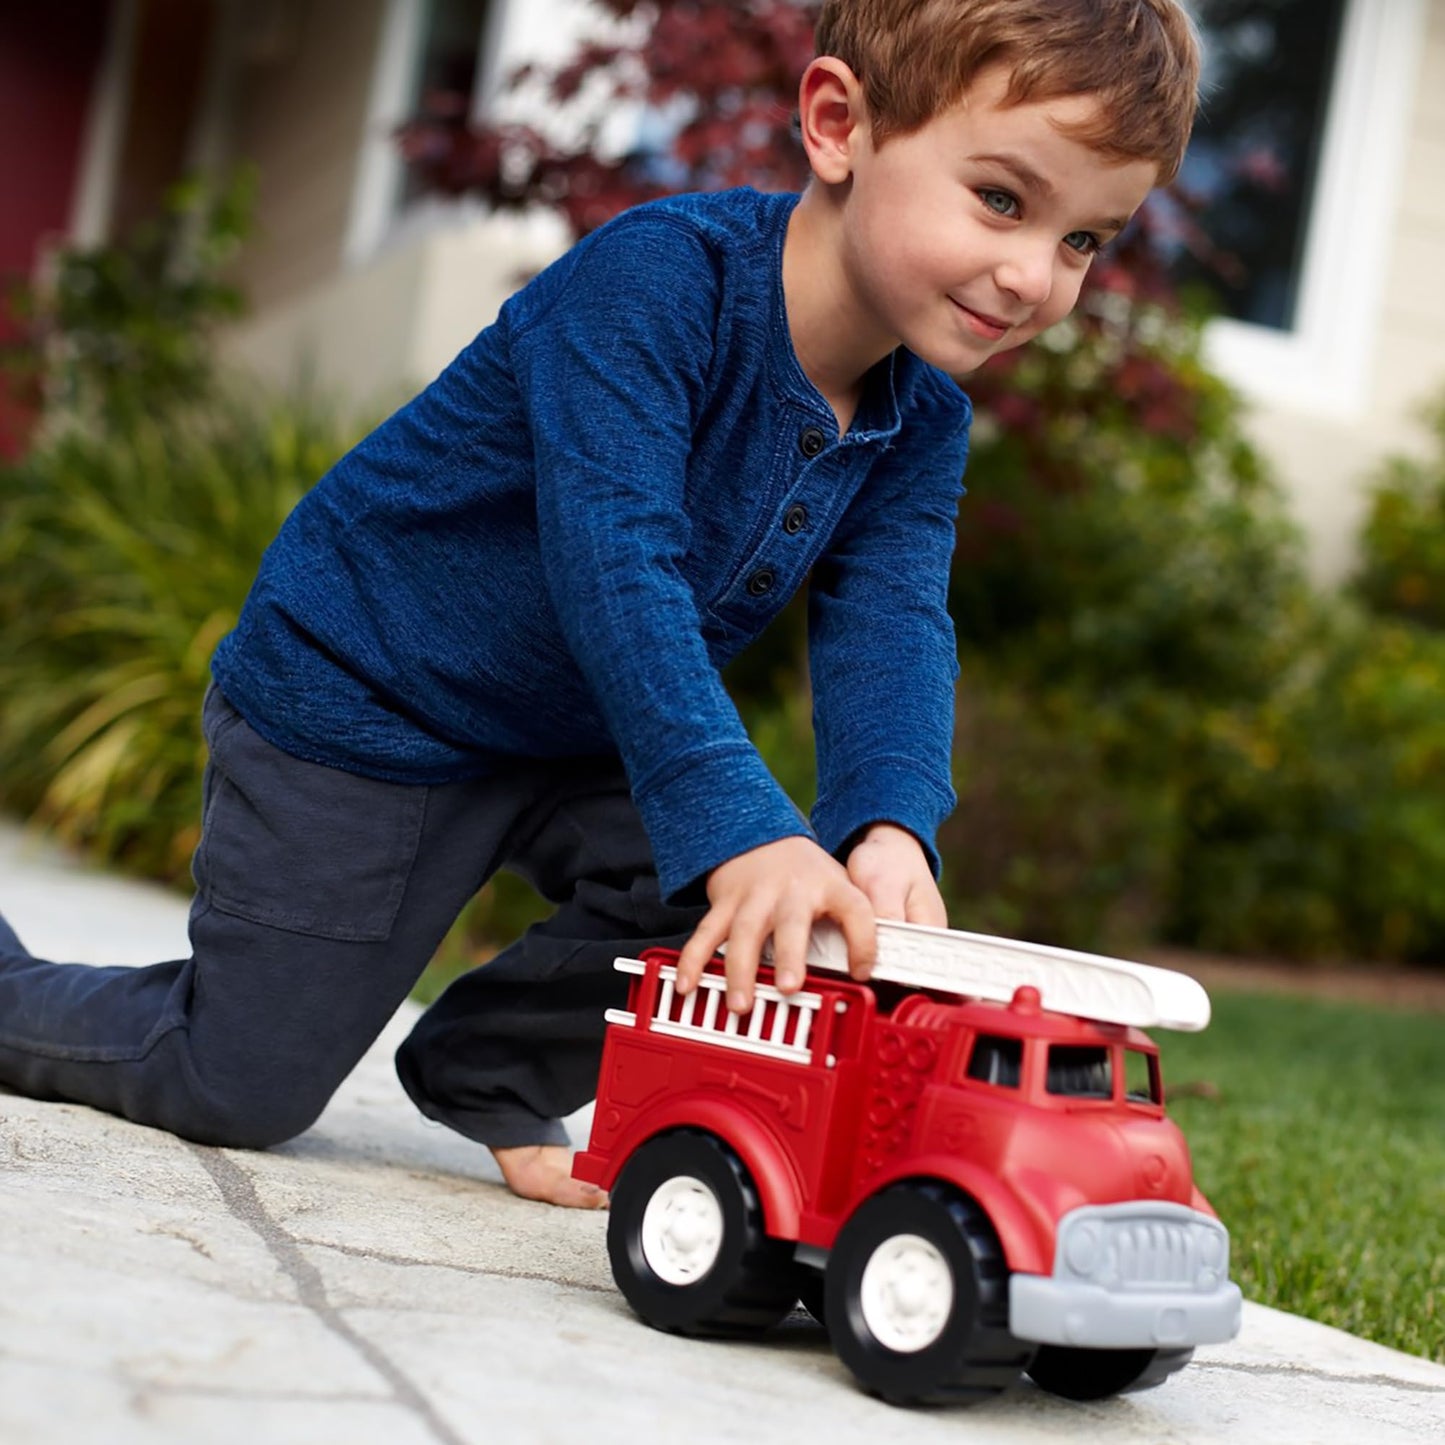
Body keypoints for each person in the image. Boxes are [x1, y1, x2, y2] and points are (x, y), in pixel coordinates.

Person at [0, 0, 1199, 1208]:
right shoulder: (658, 283)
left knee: (783, 914)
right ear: (838, 124)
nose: (1031, 275)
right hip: (371, 699)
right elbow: (612, 562)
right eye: (1000, 200)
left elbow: (890, 618)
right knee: (236, 1083)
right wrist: (739, 826)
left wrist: (885, 822)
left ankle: (489, 1063)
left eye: (1083, 241)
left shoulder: (920, 416)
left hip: (573, 735)